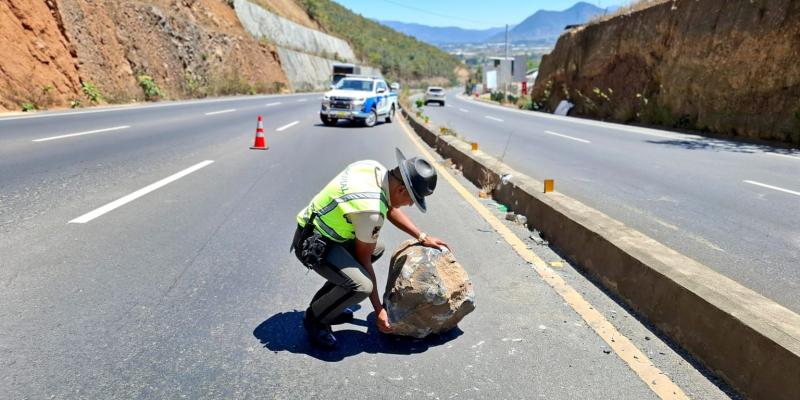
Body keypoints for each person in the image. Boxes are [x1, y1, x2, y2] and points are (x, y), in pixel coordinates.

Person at [290, 148, 450, 349]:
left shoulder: (373, 169)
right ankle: (315, 318)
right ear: (401, 190)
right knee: (362, 287)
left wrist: (421, 236)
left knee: (377, 248)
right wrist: (379, 311)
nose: (409, 204)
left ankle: (328, 304)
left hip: (322, 230)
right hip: (312, 244)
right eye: (412, 199)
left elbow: (389, 207)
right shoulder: (371, 211)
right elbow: (363, 258)